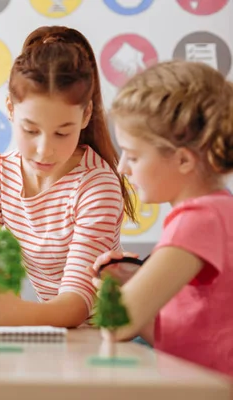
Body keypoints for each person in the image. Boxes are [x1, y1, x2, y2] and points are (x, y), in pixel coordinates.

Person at [0, 26, 136, 328]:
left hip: (107, 331)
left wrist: (10, 314)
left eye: (62, 132)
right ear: (10, 109)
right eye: (31, 130)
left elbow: (76, 304)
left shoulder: (98, 185)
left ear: (85, 116)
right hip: (53, 329)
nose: (45, 150)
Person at [89, 60, 233, 377]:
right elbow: (178, 334)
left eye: (134, 155)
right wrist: (135, 285)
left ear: (182, 159)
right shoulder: (219, 210)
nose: (122, 167)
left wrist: (108, 292)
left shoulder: (198, 219)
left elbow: (119, 326)